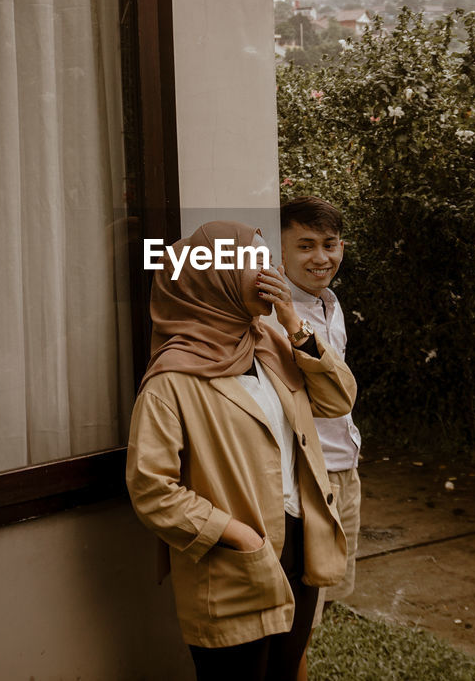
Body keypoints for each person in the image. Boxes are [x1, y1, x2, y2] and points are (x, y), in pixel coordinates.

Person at [126, 220, 356, 681]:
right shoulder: (173, 379)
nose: (269, 270)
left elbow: (337, 399)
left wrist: (293, 322)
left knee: (286, 672)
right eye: (253, 262)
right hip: (235, 562)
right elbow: (152, 487)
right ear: (217, 277)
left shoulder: (269, 342)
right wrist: (235, 534)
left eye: (266, 258)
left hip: (300, 549)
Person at [271, 197, 360, 680]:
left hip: (345, 466)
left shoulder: (330, 302)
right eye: (305, 245)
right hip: (309, 480)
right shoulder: (271, 314)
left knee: (326, 592)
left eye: (329, 244)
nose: (321, 257)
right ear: (280, 252)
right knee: (300, 609)